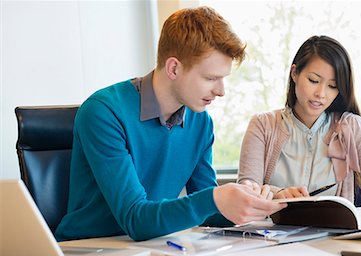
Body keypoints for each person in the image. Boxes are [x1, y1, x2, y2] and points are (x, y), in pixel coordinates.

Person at [55, 7, 286, 242]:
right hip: (86, 250)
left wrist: (266, 203)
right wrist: (215, 198)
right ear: (174, 68)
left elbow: (208, 212)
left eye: (223, 79)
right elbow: (135, 219)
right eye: (210, 78)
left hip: (149, 248)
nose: (221, 91)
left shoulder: (200, 122)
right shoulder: (103, 112)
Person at [238, 35, 361, 220]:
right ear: (294, 73)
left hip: (333, 239)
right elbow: (247, 188)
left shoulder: (351, 126)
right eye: (314, 80)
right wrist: (278, 194)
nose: (321, 94)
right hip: (271, 240)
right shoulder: (263, 125)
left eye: (333, 86)